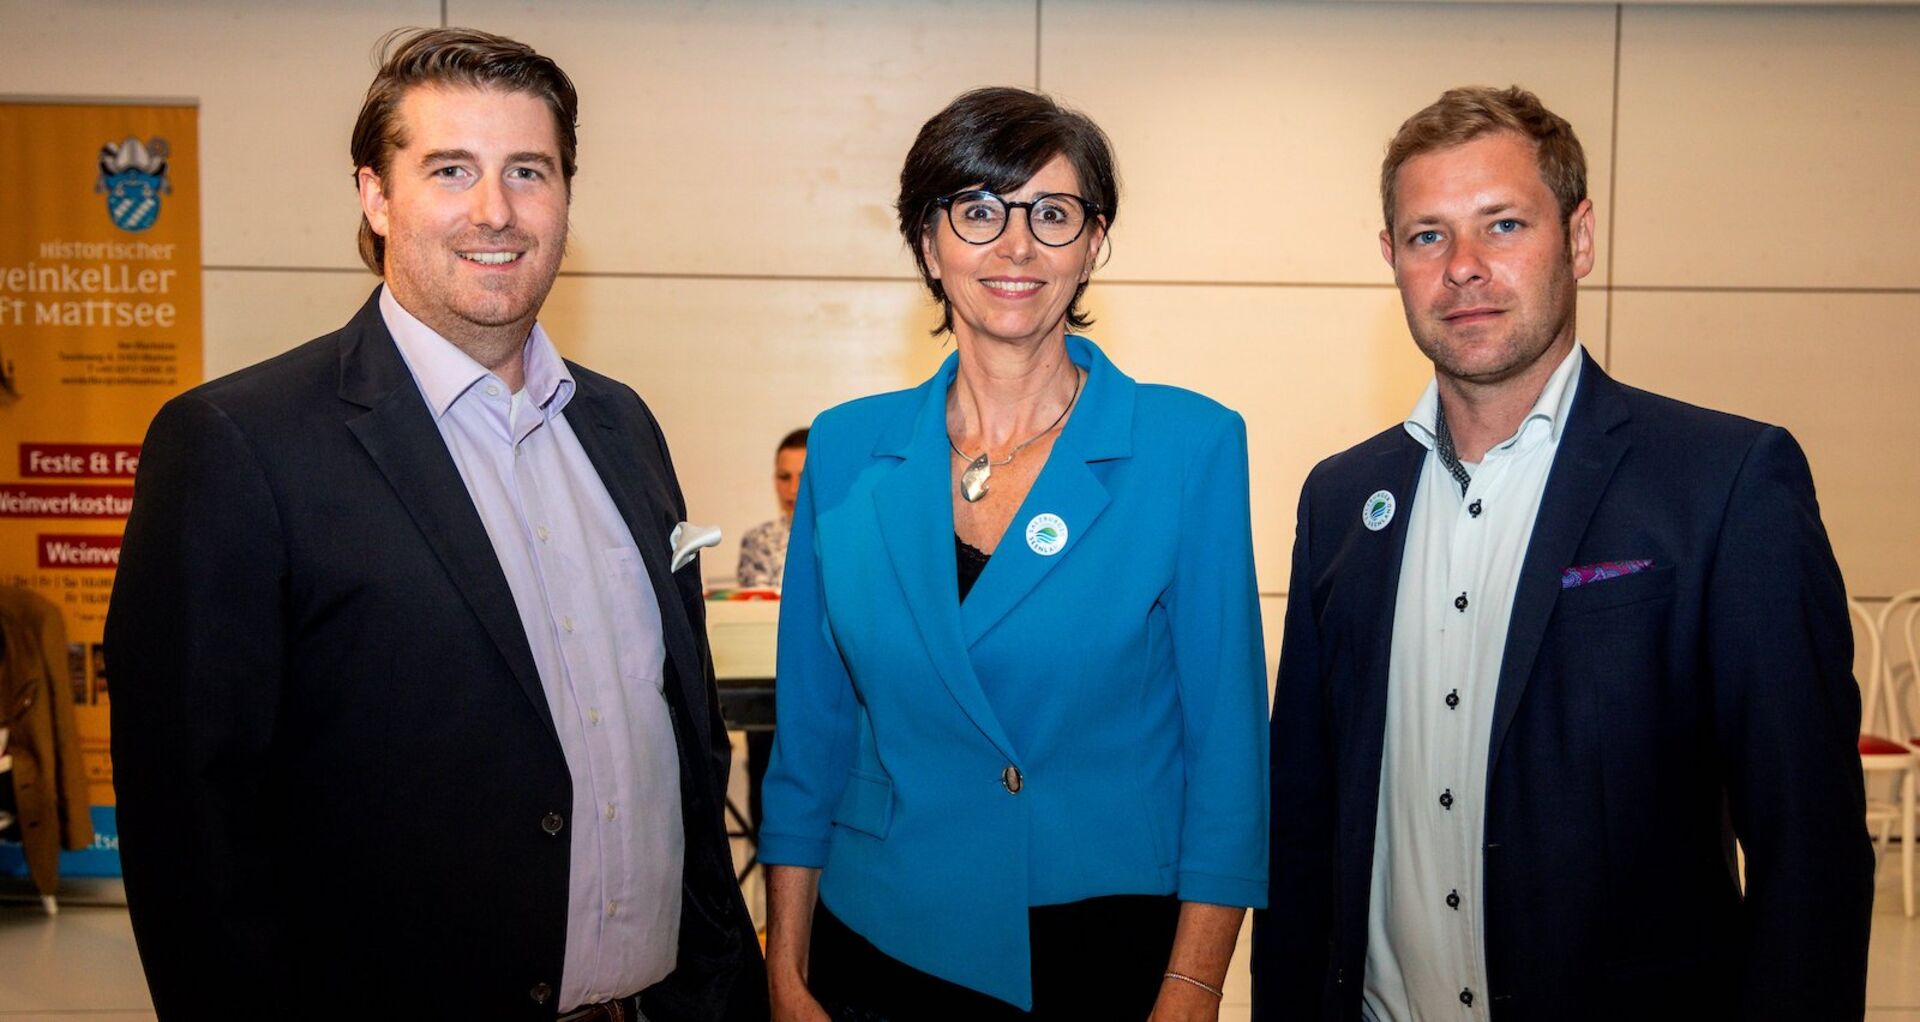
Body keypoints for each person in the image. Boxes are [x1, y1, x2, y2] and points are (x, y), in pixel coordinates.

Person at [105, 28, 764, 1019]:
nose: (494, 211)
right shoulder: (237, 443)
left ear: (566, 198)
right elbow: (192, 833)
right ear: (374, 193)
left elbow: (679, 732)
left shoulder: (624, 426)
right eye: (450, 169)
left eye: (528, 171)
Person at [1252, 85, 1874, 1020]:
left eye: (1502, 225)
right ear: (1392, 261)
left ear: (1578, 239)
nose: (1463, 267)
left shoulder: (1726, 482)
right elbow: (1302, 827)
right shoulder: (1342, 499)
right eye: (1428, 236)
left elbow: (1809, 849)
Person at [760, 86, 1269, 1021]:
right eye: (980, 209)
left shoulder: (1187, 445)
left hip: (1105, 941)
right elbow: (812, 736)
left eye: (1053, 213)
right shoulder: (845, 448)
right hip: (879, 931)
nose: (1017, 245)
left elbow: (1228, 745)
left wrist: (1195, 985)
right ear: (928, 242)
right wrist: (786, 976)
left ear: (1094, 242)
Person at [735, 428, 808, 589]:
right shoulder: (758, 540)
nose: (793, 488)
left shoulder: (844, 538)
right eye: (784, 477)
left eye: (803, 477)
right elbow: (757, 607)